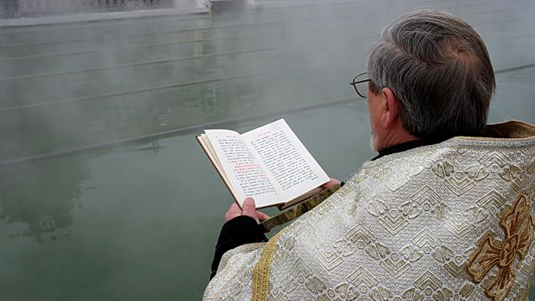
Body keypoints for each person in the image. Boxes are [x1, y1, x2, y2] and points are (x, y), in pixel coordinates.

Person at [204, 9, 535, 300]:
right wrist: (349, 197)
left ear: (388, 106)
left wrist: (236, 239)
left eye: (369, 87)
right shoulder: (519, 170)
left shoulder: (328, 252)